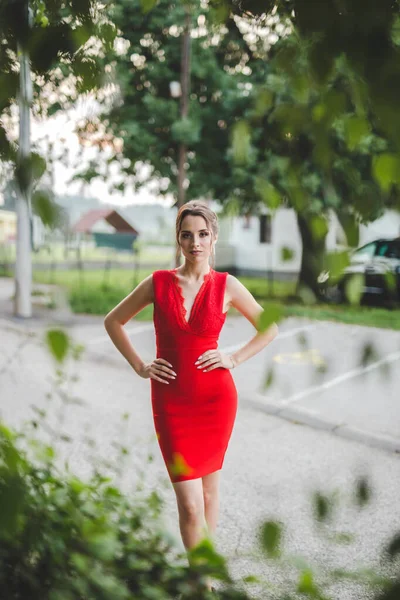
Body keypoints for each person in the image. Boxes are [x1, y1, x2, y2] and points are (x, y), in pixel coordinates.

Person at [104, 200, 278, 593]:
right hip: (170, 401)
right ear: (178, 239)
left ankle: (204, 575)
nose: (194, 242)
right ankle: (198, 578)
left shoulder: (227, 285)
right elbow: (112, 321)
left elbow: (269, 328)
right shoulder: (158, 282)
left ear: (213, 238)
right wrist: (139, 364)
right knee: (189, 502)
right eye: (187, 234)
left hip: (216, 400)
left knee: (211, 491)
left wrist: (233, 357)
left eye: (202, 234)